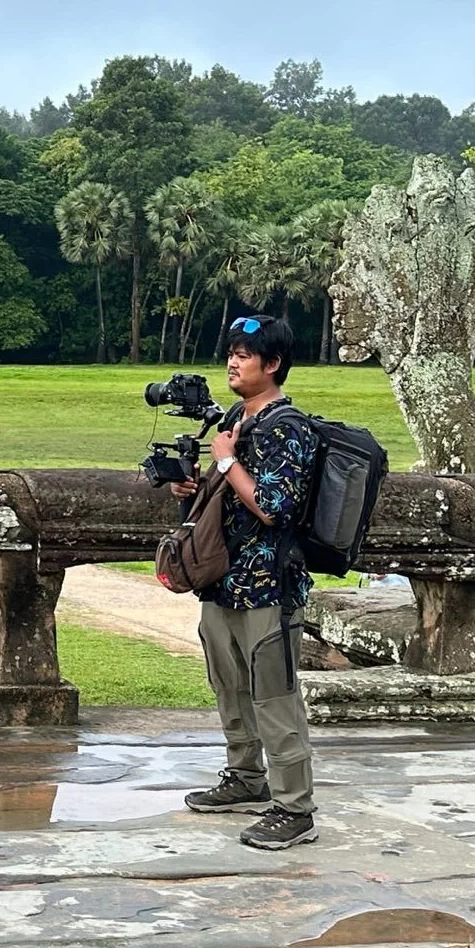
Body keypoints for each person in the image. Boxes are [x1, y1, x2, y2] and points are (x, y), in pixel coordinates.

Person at [172, 314, 320, 851]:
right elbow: (228, 493)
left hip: (268, 586)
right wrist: (194, 485)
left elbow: (275, 508)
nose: (233, 363)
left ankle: (294, 808)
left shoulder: (289, 428)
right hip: (223, 581)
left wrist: (227, 460)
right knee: (229, 686)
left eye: (244, 354)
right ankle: (245, 777)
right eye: (231, 352)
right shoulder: (237, 416)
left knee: (275, 697)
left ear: (273, 364)